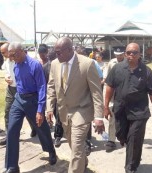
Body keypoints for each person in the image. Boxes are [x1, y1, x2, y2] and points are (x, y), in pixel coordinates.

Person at [46, 37, 104, 173]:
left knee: (77, 148)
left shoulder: (87, 64)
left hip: (81, 112)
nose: (56, 55)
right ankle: (83, 163)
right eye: (55, 52)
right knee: (74, 146)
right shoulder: (55, 64)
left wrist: (99, 117)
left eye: (59, 52)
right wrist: (49, 108)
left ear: (69, 50)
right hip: (64, 113)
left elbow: (96, 93)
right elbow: (51, 87)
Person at [104, 43, 152, 173]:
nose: (131, 55)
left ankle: (130, 167)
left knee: (134, 138)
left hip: (139, 112)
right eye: (128, 52)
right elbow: (109, 87)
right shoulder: (117, 69)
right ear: (125, 54)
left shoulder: (146, 71)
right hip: (120, 110)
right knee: (122, 136)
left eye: (134, 52)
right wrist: (106, 106)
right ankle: (135, 155)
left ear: (139, 54)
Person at [4, 42, 56, 173]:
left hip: (33, 100)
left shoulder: (35, 65)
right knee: (11, 130)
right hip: (19, 99)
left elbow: (42, 87)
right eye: (9, 55)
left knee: (42, 128)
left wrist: (40, 110)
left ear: (22, 51)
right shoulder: (16, 64)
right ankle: (12, 166)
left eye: (13, 55)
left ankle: (51, 151)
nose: (11, 58)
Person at [0, 43, 36, 146]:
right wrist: (6, 77)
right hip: (11, 90)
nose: (4, 55)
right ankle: (9, 136)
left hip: (22, 91)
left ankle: (35, 128)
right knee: (8, 111)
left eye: (4, 53)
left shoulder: (22, 61)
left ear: (10, 51)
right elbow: (7, 72)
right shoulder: (7, 61)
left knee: (28, 112)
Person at [102, 47, 125, 153]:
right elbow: (107, 80)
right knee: (112, 116)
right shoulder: (111, 63)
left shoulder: (128, 62)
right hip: (113, 92)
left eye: (120, 54)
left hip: (125, 93)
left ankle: (124, 137)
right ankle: (111, 140)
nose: (118, 56)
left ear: (124, 54)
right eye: (117, 54)